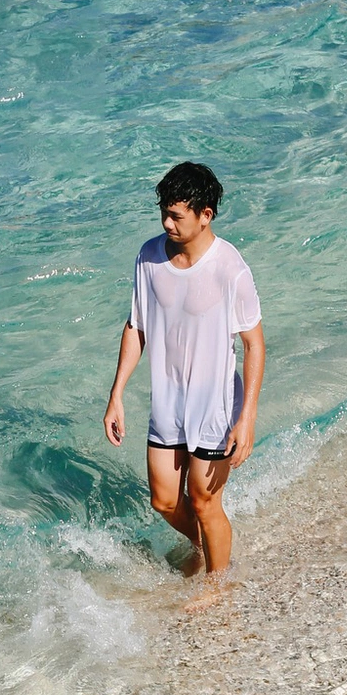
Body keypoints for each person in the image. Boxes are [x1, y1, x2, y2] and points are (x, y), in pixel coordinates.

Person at [104, 162, 265, 576]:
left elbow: (254, 345)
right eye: (164, 213)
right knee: (164, 500)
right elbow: (136, 326)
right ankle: (210, 547)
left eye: (176, 216)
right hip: (168, 402)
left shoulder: (230, 269)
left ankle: (218, 584)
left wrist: (245, 419)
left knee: (205, 501)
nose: (167, 223)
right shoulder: (149, 256)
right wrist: (116, 394)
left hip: (215, 407)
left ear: (205, 214)